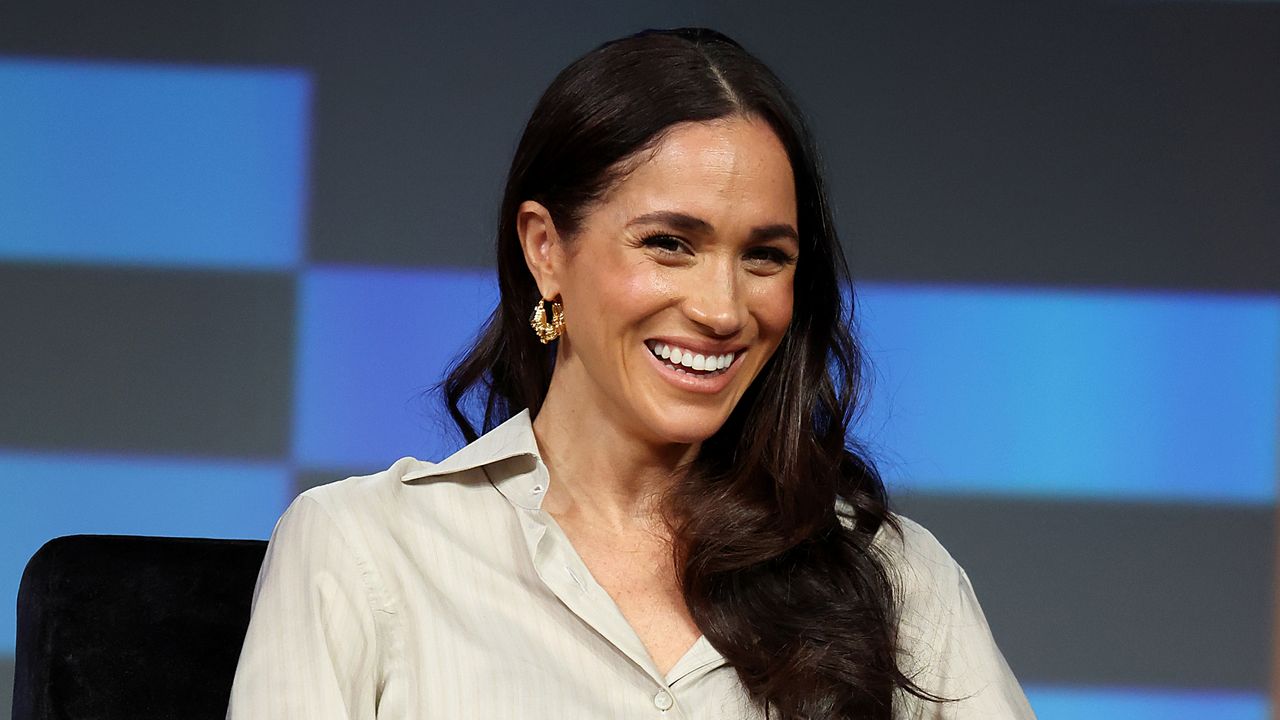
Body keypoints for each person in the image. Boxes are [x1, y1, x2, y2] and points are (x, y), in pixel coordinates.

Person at [227, 27, 1035, 719]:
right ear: (546, 249)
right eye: (668, 244)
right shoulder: (364, 549)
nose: (723, 309)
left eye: (765, 256)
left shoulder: (894, 575)